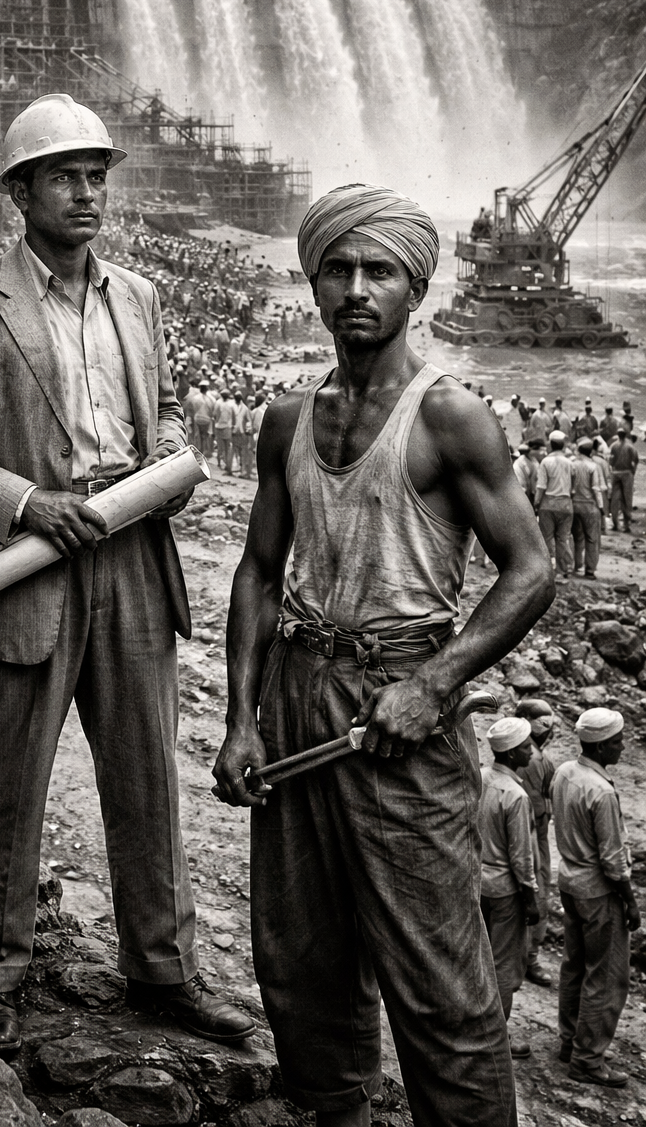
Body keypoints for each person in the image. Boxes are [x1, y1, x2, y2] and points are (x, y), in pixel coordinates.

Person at [0, 96, 251, 1058]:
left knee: (146, 773)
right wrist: (22, 503)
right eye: (66, 176)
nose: (89, 192)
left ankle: (164, 971)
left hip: (133, 554)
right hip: (26, 565)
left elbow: (167, 409)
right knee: (5, 782)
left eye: (98, 175)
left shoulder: (137, 296)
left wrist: (172, 462)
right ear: (19, 191)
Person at [212, 183, 553, 1127]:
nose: (358, 288)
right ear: (313, 283)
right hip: (297, 697)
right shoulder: (287, 419)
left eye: (381, 272)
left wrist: (435, 683)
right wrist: (242, 720)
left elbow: (531, 572)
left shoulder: (449, 417)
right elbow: (256, 571)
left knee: (439, 982)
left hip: (401, 706)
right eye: (340, 270)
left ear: (417, 291)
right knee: (300, 960)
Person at [552, 708, 640, 1088]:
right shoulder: (601, 790)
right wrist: (631, 901)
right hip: (599, 892)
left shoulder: (565, 772)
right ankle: (587, 1060)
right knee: (605, 978)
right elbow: (613, 861)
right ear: (602, 745)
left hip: (570, 884)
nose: (623, 747)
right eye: (619, 741)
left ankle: (570, 1041)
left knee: (575, 966)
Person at [479, 716, 540, 1054]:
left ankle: (478, 1026)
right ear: (513, 753)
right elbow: (522, 858)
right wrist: (531, 899)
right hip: (505, 890)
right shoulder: (515, 795)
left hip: (479, 882)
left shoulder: (482, 778)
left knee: (481, 960)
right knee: (504, 966)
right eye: (527, 747)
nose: (532, 752)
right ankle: (496, 1039)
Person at [515, 698, 557, 986]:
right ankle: (527, 959)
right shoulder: (528, 756)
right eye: (542, 722)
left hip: (536, 833)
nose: (548, 728)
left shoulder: (535, 753)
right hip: (529, 835)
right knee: (535, 894)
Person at [535, 430, 574, 580]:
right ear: (563, 446)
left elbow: (541, 487)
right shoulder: (570, 463)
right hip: (566, 504)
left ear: (550, 445)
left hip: (548, 504)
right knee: (563, 539)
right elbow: (574, 487)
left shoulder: (545, 462)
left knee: (546, 538)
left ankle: (545, 572)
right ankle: (562, 570)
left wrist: (536, 503)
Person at [571, 437, 606, 578]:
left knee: (576, 537)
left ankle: (576, 565)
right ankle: (590, 570)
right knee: (592, 539)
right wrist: (601, 507)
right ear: (590, 452)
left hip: (574, 505)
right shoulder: (593, 466)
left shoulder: (572, 464)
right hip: (590, 506)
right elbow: (596, 488)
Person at [609, 429, 637, 533]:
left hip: (616, 473)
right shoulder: (630, 446)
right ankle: (626, 525)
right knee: (627, 499)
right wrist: (633, 471)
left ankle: (615, 523)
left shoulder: (614, 445)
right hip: (627, 473)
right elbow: (635, 460)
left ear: (618, 435)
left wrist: (613, 470)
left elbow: (610, 461)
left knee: (615, 499)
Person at [214, 388, 237, 475]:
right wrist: (233, 426)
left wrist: (217, 422)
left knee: (220, 447)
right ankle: (227, 464)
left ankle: (219, 462)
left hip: (219, 427)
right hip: (227, 427)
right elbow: (234, 416)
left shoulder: (218, 403)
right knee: (227, 448)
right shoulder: (231, 404)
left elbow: (215, 415)